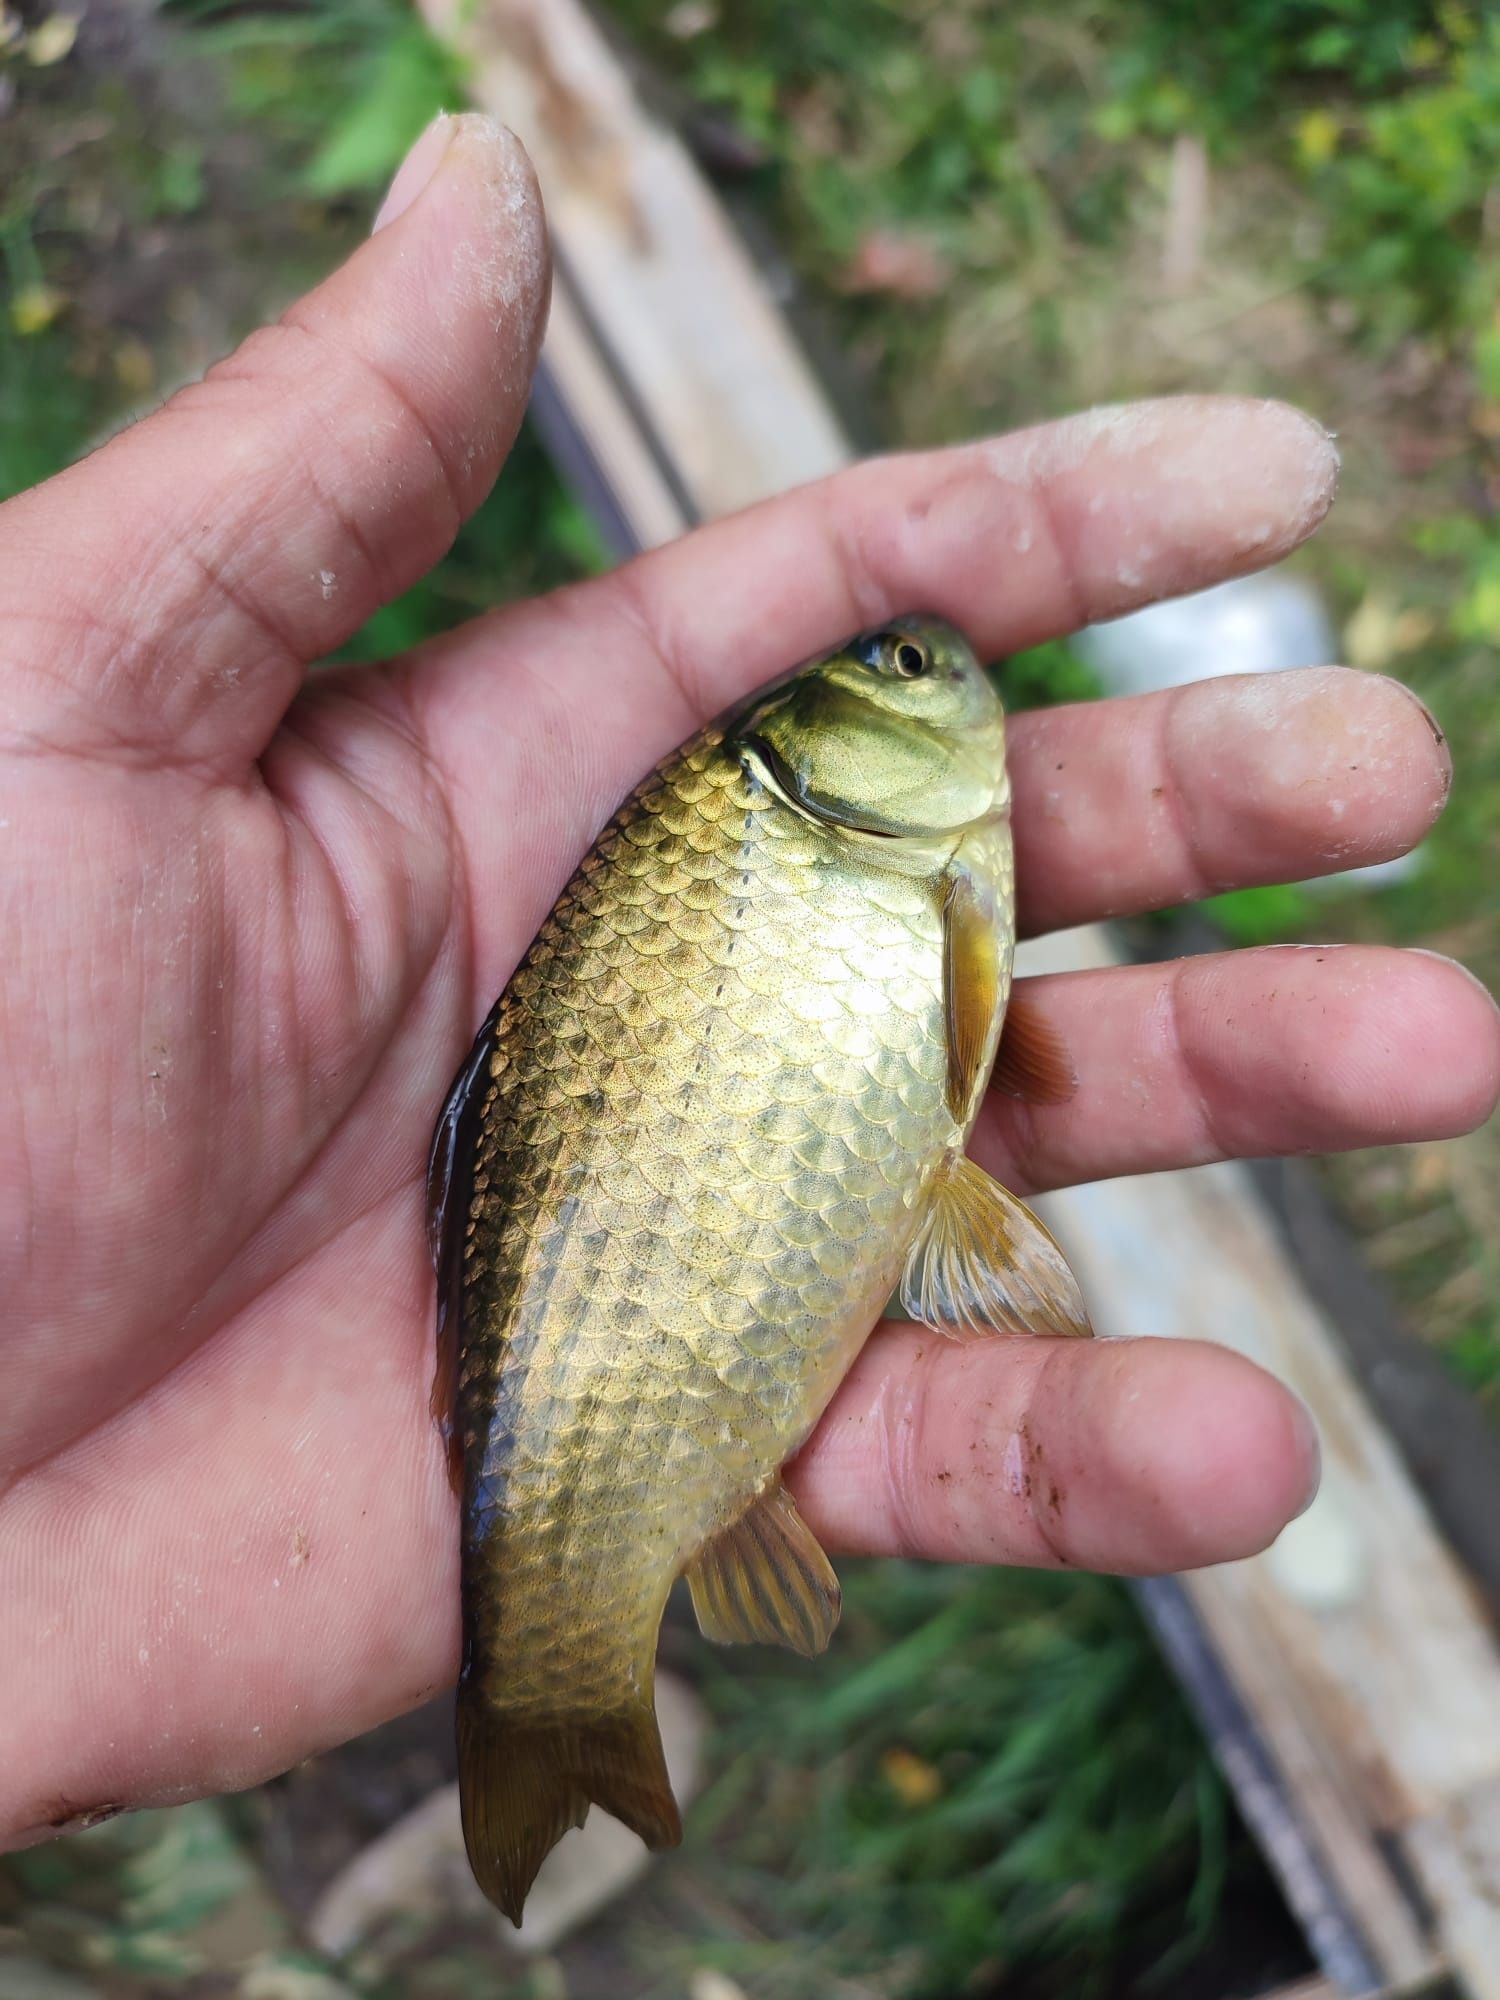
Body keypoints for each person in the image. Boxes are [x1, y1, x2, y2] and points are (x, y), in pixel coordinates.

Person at [2, 112, 1495, 1849]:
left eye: (913, 665)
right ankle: (552, 1698)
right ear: (816, 755)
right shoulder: (806, 829)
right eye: (904, 667)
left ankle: (560, 1696)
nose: (941, 675)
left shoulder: (849, 838)